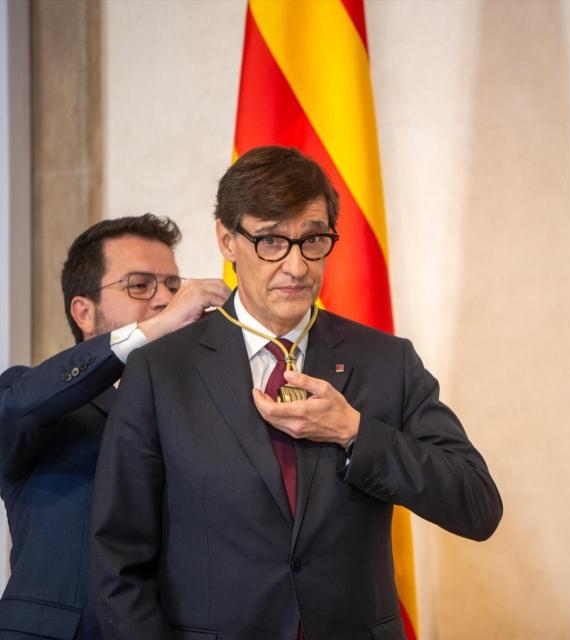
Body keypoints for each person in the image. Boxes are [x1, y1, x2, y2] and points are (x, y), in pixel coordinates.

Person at [91, 146, 502, 640]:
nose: (297, 266)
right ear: (227, 239)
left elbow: (477, 506)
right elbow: (119, 560)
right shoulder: (161, 371)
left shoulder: (386, 362)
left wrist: (354, 432)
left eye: (313, 240)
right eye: (270, 241)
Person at [0, 214, 229, 640]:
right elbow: (18, 410)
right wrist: (153, 329)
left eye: (174, 287)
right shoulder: (33, 395)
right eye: (140, 286)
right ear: (84, 312)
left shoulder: (197, 404)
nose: (165, 300)